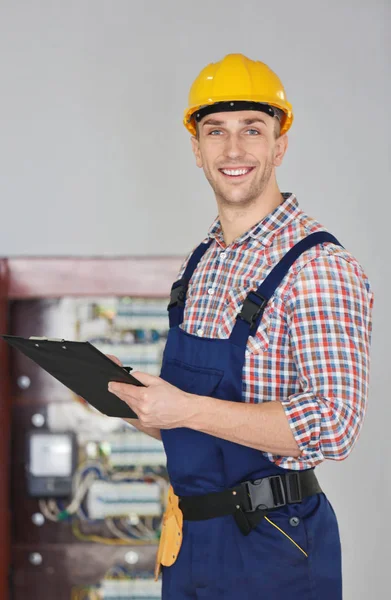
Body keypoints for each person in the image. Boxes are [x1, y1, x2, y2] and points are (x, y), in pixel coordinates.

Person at [108, 53, 374, 599]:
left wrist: (186, 408)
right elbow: (194, 428)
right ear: (196, 150)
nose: (233, 150)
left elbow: (335, 422)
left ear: (279, 144)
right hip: (190, 540)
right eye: (215, 132)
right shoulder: (199, 263)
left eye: (252, 130)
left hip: (273, 544)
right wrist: (126, 399)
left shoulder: (317, 267)